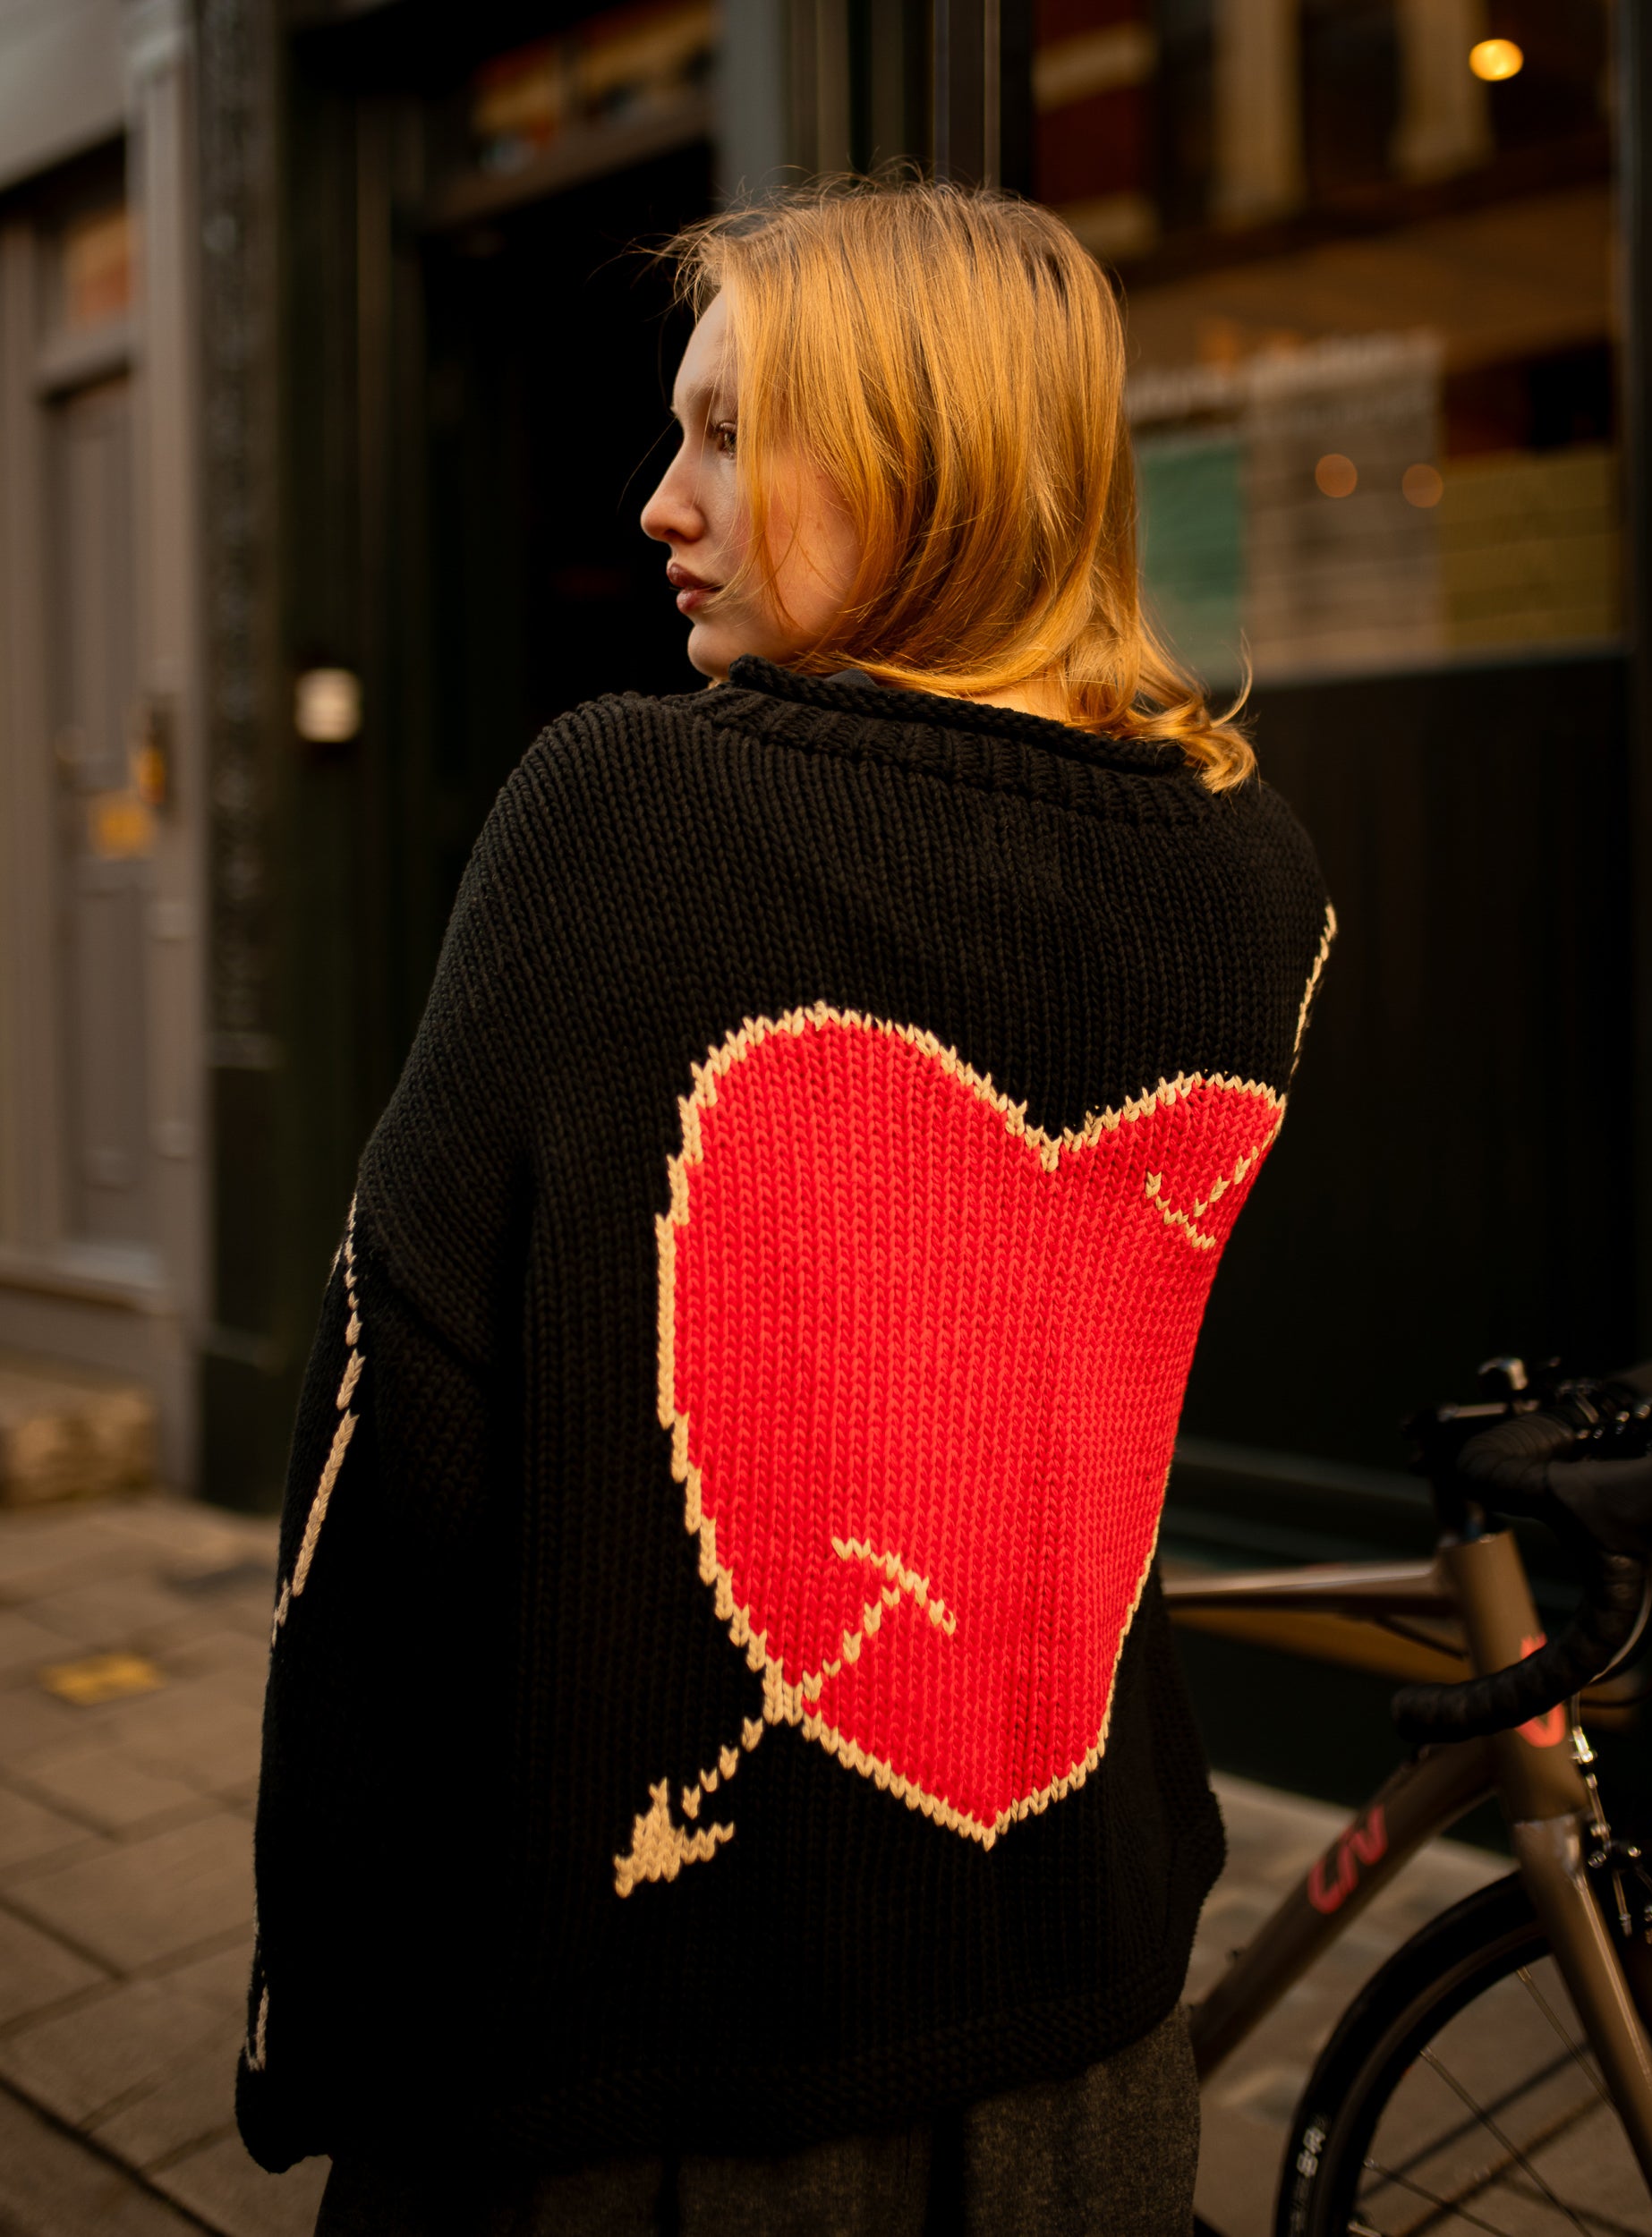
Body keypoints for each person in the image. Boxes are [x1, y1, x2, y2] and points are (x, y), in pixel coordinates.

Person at [240, 178, 1333, 2234]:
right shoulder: (1254, 878)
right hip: (1088, 2022)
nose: (662, 497)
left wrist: (329, 1990)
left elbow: (397, 1441)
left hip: (652, 2060)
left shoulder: (624, 811)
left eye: (730, 430)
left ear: (921, 452)